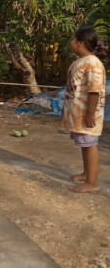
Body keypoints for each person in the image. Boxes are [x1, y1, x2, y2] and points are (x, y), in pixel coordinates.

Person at [61, 27, 107, 193]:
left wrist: (90, 114)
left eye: (73, 40)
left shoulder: (93, 63)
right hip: (79, 114)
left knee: (90, 145)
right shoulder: (82, 61)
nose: (71, 44)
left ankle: (92, 183)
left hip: (87, 114)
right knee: (84, 144)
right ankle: (86, 173)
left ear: (80, 43)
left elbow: (94, 90)